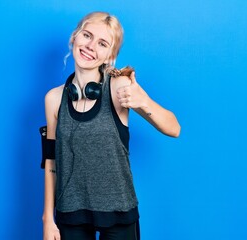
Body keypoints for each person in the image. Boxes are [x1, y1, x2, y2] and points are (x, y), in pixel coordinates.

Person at [42, 11, 180, 240]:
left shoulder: (119, 88)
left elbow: (174, 129)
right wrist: (48, 218)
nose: (90, 46)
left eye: (102, 43)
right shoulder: (54, 99)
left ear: (109, 56)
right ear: (74, 37)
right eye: (87, 35)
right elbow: (50, 161)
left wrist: (144, 102)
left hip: (118, 210)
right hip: (70, 211)